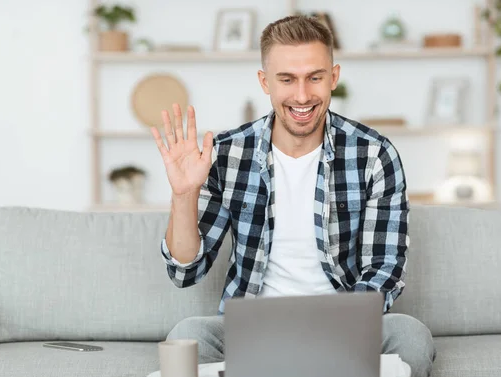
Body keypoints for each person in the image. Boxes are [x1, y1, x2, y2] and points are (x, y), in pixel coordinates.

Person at [151, 15, 436, 377]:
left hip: (345, 326)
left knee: (411, 334)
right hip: (250, 328)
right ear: (264, 81)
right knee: (188, 333)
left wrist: (336, 331)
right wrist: (184, 194)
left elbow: (384, 268)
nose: (302, 96)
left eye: (314, 78)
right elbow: (185, 271)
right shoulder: (226, 153)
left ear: (333, 77)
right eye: (287, 79)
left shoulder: (374, 154)